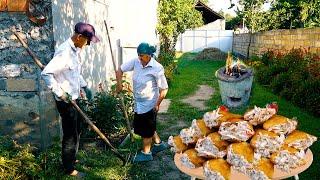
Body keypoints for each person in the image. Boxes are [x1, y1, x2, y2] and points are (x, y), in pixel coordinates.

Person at [41, 22, 99, 177]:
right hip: (65, 102)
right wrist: (60, 93)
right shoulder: (64, 53)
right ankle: (69, 168)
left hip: (74, 98)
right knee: (70, 134)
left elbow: (74, 73)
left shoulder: (75, 51)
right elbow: (46, 74)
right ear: (79, 37)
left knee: (77, 129)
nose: (88, 44)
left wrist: (84, 86)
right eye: (87, 40)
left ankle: (71, 158)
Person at [116, 42, 169, 163]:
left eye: (142, 55)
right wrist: (119, 84)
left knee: (146, 129)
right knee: (146, 126)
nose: (140, 58)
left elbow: (164, 89)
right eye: (139, 55)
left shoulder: (157, 68)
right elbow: (120, 70)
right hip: (138, 101)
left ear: (150, 55)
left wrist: (157, 104)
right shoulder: (136, 61)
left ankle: (146, 153)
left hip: (150, 103)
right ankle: (158, 144)